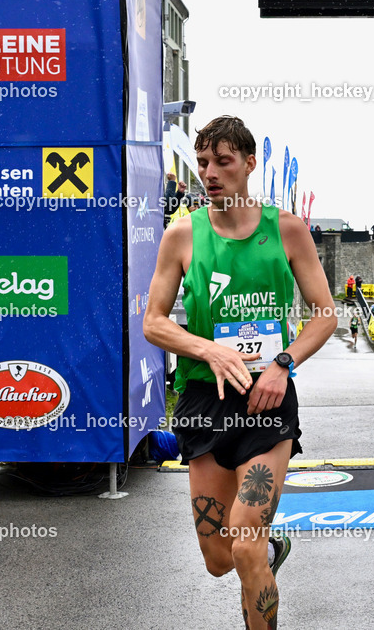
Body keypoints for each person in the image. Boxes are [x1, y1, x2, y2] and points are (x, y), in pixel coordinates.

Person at [143, 116, 337, 629]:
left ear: (249, 165)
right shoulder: (182, 233)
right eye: (203, 162)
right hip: (204, 402)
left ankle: (260, 556)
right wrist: (207, 349)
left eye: (222, 161)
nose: (210, 172)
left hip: (266, 402)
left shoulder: (287, 228)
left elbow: (325, 314)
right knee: (219, 558)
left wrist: (283, 363)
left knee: (244, 542)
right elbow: (154, 322)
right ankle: (270, 548)